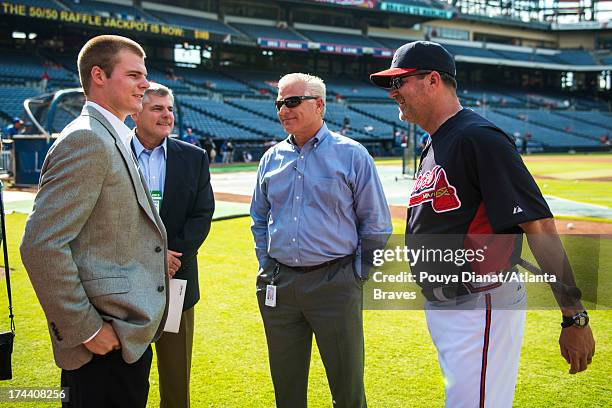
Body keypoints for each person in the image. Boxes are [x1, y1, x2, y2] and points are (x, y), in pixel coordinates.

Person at [370, 40, 595, 407]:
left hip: (480, 304)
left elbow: (540, 227)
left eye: (400, 82)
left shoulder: (479, 138)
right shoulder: (437, 141)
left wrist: (575, 318)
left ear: (433, 81)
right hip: (451, 304)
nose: (393, 92)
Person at [20, 35, 168, 408]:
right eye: (134, 75)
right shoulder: (87, 139)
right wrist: (86, 329)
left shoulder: (109, 136)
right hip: (102, 344)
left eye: (145, 75)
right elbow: (41, 243)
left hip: (122, 337)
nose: (145, 85)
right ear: (98, 75)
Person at [250, 73, 392, 408]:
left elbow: (376, 223)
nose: (284, 109)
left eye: (293, 101)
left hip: (335, 282)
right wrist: (267, 266)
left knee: (347, 387)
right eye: (279, 103)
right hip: (280, 284)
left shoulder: (352, 155)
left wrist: (355, 275)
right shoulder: (270, 158)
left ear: (320, 105)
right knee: (286, 386)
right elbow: (259, 219)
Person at [130, 82, 215, 408]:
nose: (167, 115)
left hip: (176, 281)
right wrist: (152, 257)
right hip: (126, 281)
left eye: (169, 109)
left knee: (175, 375)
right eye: (157, 108)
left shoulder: (193, 158)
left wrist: (172, 256)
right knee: (125, 373)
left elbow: (201, 214)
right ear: (137, 111)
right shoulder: (114, 152)